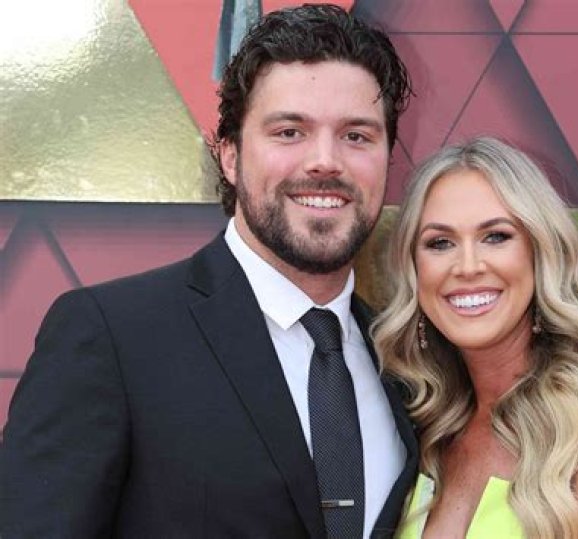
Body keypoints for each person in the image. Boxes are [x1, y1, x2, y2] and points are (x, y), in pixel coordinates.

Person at [0, 5, 418, 538]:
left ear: (386, 159)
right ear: (230, 156)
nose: (325, 161)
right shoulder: (112, 338)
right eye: (289, 131)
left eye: (356, 136)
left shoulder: (408, 367)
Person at [372, 137, 578, 538]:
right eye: (440, 243)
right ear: (414, 269)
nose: (468, 266)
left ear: (539, 252)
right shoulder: (421, 426)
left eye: (496, 236)